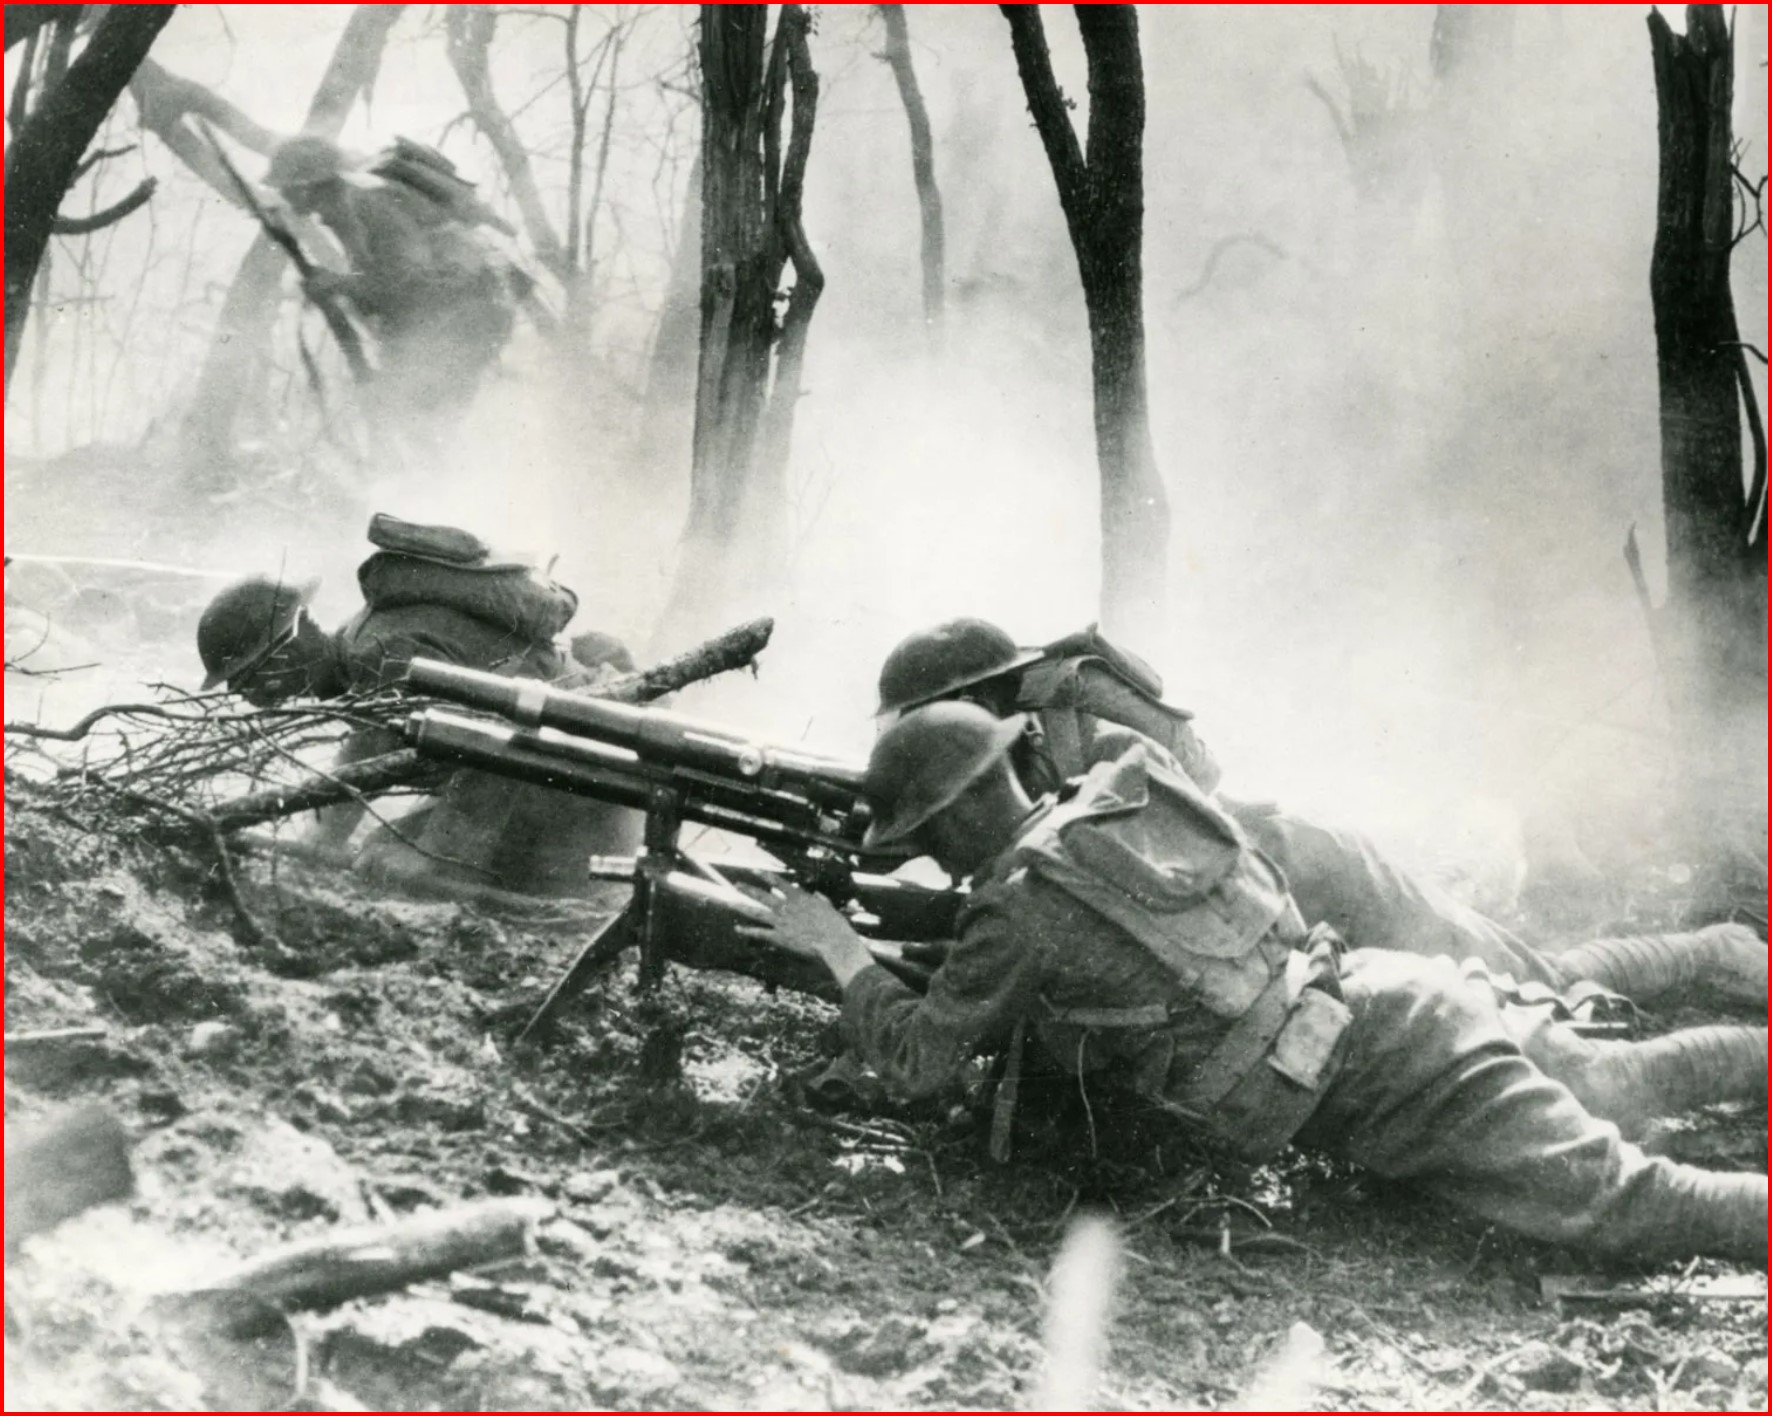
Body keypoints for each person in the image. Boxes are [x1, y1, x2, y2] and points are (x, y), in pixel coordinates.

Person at [745, 703, 1768, 1265]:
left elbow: (921, 1062)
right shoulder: (1106, 807)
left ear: (951, 821)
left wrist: (835, 948)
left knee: (1626, 1205)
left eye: (923, 839)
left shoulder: (1019, 906)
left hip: (1384, 1070)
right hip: (1386, 994)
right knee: (1624, 1081)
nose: (928, 859)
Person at [873, 618, 1766, 1015]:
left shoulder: (1075, 723)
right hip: (1271, 911)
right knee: (1498, 988)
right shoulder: (1031, 743)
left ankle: (1718, 953)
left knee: (1530, 978)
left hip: (1307, 872)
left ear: (976, 698)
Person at [195, 516, 638, 895]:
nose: (254, 699)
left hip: (589, 784)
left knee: (399, 869)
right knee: (383, 856)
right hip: (558, 770)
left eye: (250, 681)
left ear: (288, 649)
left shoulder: (381, 655)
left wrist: (439, 858)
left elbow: (493, 743)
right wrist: (318, 840)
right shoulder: (362, 649)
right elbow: (365, 760)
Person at [263, 135, 524, 422]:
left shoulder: (369, 202)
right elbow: (385, 283)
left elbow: (406, 278)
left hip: (463, 311)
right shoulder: (346, 207)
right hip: (457, 312)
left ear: (307, 186)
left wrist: (339, 284)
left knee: (411, 416)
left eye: (286, 188)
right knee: (407, 415)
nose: (282, 195)